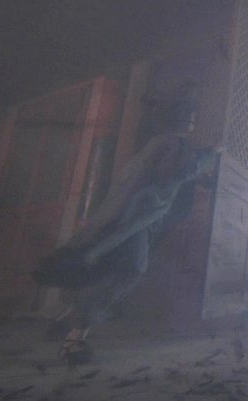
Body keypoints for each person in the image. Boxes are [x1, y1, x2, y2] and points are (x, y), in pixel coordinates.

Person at [32, 91, 221, 363]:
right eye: (189, 115)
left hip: (137, 218)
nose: (193, 119)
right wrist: (210, 153)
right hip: (135, 219)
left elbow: (170, 176)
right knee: (131, 268)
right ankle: (73, 339)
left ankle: (67, 321)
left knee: (111, 268)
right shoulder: (171, 143)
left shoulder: (162, 143)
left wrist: (200, 172)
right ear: (177, 118)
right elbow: (176, 173)